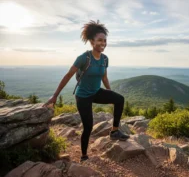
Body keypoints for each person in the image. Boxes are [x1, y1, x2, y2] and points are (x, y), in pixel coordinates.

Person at [42, 20, 129, 162]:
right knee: (88, 127)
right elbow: (68, 76)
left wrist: (110, 93)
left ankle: (114, 131)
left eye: (105, 40)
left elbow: (104, 77)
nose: (103, 43)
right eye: (100, 40)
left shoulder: (105, 59)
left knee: (119, 99)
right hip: (82, 96)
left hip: (96, 92)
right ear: (91, 41)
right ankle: (83, 155)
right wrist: (55, 96)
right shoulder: (84, 58)